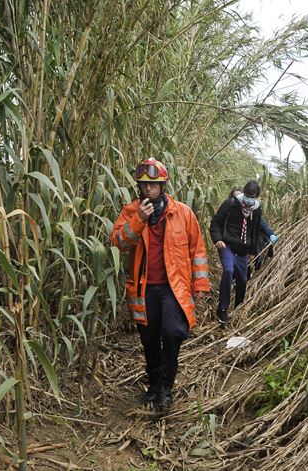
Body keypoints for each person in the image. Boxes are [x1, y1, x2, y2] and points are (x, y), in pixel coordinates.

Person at [110, 158, 210, 411]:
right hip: (144, 289)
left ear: (163, 185)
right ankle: (154, 385)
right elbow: (119, 242)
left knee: (174, 333)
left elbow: (197, 250)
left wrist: (199, 285)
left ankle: (166, 386)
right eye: (144, 185)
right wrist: (139, 220)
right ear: (139, 186)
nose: (149, 190)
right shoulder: (131, 212)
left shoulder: (182, 213)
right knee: (150, 339)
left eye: (154, 185)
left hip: (173, 288)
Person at [209, 181, 264, 324]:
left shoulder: (256, 210)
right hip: (227, 245)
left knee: (242, 279)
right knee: (228, 270)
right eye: (247, 195)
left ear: (257, 197)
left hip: (243, 250)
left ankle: (238, 308)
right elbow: (215, 223)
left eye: (252, 196)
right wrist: (217, 239)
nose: (248, 199)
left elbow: (255, 231)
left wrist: (252, 251)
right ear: (244, 193)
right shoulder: (231, 204)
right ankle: (222, 309)